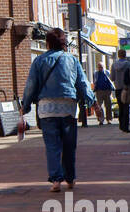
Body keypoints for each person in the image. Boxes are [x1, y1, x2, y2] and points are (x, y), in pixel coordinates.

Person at [21, 28, 93, 192]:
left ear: (47, 43)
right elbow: (82, 82)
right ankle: (70, 178)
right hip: (68, 108)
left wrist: (25, 106)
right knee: (69, 145)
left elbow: (31, 84)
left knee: (52, 145)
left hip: (47, 109)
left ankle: (56, 180)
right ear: (63, 43)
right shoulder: (72, 60)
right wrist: (90, 100)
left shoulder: (39, 61)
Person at [111, 49, 130, 132]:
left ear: (118, 55)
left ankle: (121, 124)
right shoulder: (128, 65)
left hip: (118, 88)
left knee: (120, 107)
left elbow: (112, 77)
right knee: (126, 107)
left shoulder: (114, 65)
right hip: (126, 88)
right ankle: (125, 126)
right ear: (125, 55)